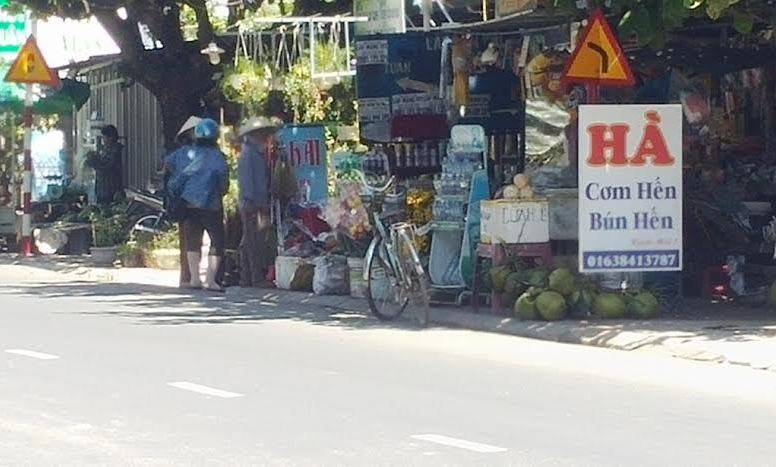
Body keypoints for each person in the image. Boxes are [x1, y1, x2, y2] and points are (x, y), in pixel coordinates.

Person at [169, 118, 229, 292]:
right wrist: (220, 193)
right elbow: (223, 183)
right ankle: (211, 280)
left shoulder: (186, 154)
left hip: (188, 203)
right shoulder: (218, 157)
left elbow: (173, 174)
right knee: (216, 241)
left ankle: (195, 278)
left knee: (193, 240)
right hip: (211, 205)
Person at [237, 116, 281, 287]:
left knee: (249, 240)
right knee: (253, 241)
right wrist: (258, 204)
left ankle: (246, 277)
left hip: (252, 202)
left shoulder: (254, 152)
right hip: (252, 203)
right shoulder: (250, 154)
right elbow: (249, 183)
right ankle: (255, 278)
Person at [163, 116, 201, 288]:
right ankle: (189, 276)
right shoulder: (187, 153)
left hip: (189, 199)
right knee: (191, 238)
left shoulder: (180, 154)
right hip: (191, 200)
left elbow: (166, 167)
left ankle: (189, 276)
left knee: (190, 239)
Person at [87, 125, 123, 205]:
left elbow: (107, 167)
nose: (103, 140)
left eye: (105, 137)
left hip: (110, 189)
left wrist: (95, 162)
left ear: (111, 137)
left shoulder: (115, 150)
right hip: (101, 189)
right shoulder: (105, 149)